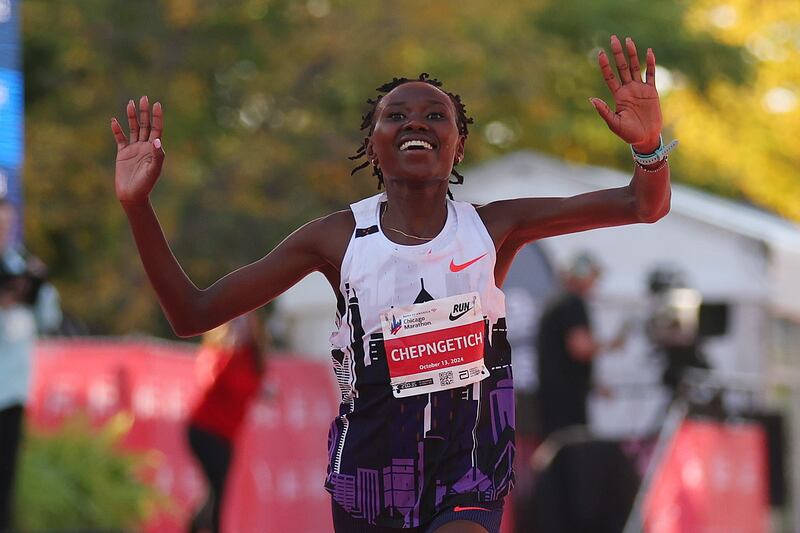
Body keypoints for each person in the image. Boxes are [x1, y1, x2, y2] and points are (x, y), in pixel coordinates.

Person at [110, 35, 672, 533]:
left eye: (435, 115)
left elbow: (642, 205)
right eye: (396, 116)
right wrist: (138, 207)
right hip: (373, 468)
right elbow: (192, 313)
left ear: (459, 144)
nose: (416, 123)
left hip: (468, 459)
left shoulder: (496, 227)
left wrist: (649, 149)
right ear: (372, 145)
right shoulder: (334, 239)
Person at [0, 198, 62, 531]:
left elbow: (49, 319)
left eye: (6, 222)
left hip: (10, 389)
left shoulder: (18, 264)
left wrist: (39, 286)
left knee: (5, 477)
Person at [186, 311, 268, 533]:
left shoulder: (254, 356)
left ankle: (193, 528)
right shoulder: (219, 352)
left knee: (215, 493)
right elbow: (211, 382)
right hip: (205, 430)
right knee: (218, 491)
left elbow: (253, 385)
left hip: (227, 436)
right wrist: (229, 350)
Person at [535, 252, 625, 439]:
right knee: (570, 451)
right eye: (593, 277)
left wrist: (594, 385)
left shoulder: (556, 301)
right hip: (566, 403)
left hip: (554, 399)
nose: (595, 284)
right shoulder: (572, 303)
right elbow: (579, 348)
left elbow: (561, 356)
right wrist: (611, 345)